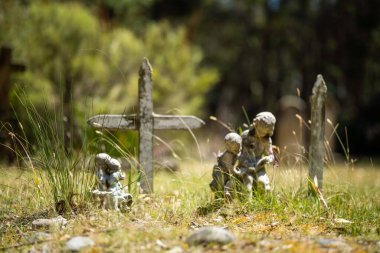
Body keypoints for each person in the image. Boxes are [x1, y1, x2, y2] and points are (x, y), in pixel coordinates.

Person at [236, 112, 276, 197]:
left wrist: (269, 158)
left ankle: (262, 202)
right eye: (260, 131)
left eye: (264, 133)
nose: (261, 134)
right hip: (245, 166)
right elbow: (238, 151)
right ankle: (246, 204)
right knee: (248, 182)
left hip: (259, 167)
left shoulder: (266, 141)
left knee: (262, 182)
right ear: (255, 125)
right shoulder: (245, 135)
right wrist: (242, 161)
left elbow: (270, 154)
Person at [209, 132, 242, 200]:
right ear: (228, 146)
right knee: (220, 187)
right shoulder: (228, 155)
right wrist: (237, 172)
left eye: (239, 146)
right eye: (236, 147)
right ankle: (219, 200)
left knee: (232, 182)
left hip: (226, 172)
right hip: (221, 172)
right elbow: (230, 168)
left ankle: (227, 198)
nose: (239, 148)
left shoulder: (234, 153)